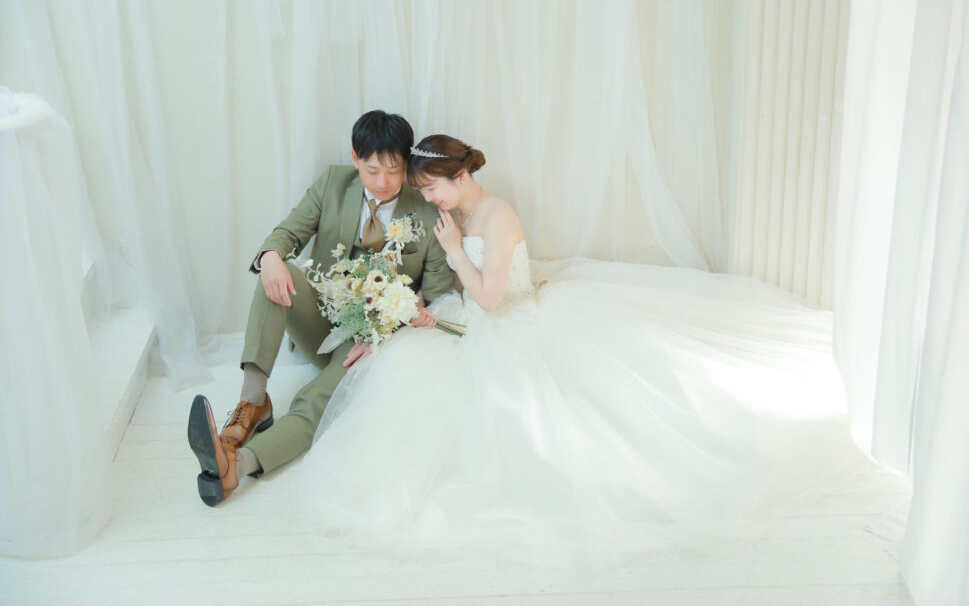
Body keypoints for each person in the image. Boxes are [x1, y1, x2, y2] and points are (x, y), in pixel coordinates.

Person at [290, 134, 864, 557]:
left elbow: (489, 299)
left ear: (459, 177)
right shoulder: (459, 210)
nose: (430, 199)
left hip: (504, 317)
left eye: (432, 188)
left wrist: (457, 250)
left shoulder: (496, 217)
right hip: (469, 315)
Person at [187, 111, 455, 507]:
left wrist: (386, 335)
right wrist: (271, 256)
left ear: (407, 164)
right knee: (277, 274)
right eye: (372, 170)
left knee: (316, 398)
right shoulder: (333, 183)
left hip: (370, 341)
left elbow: (437, 297)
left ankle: (237, 466)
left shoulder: (429, 211)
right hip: (322, 318)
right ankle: (253, 402)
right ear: (355, 159)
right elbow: (289, 230)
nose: (383, 182)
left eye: (394, 171)